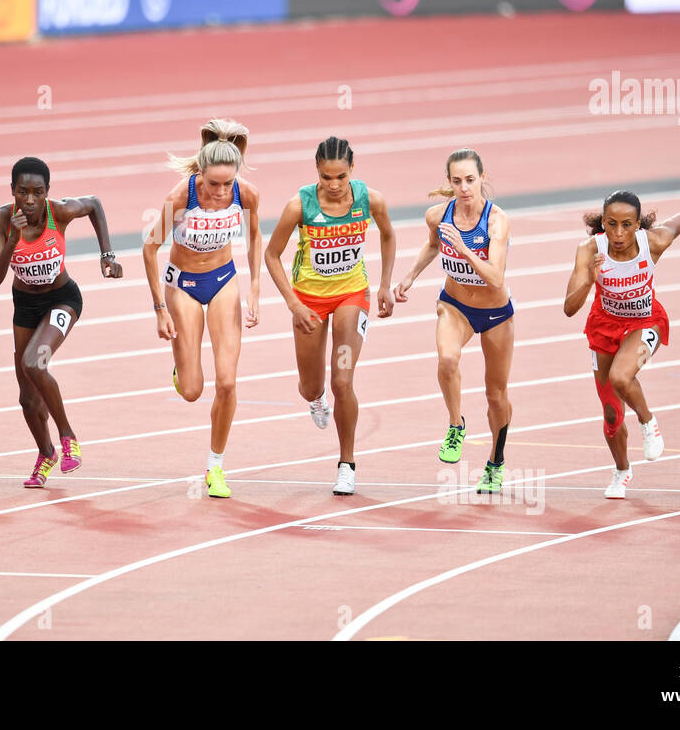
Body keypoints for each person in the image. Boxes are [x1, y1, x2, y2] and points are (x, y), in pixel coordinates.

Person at [264, 137, 396, 495]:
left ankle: (346, 464)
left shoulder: (371, 200)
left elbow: (387, 234)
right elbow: (271, 255)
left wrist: (384, 284)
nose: (334, 185)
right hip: (308, 301)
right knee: (312, 386)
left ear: (352, 170)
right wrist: (293, 304)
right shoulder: (300, 205)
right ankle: (315, 399)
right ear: (317, 173)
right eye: (326, 177)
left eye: (340, 177)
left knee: (342, 381)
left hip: (352, 295)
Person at [0, 157, 124, 488]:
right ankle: (46, 452)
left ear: (47, 192)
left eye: (37, 192)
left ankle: (68, 435)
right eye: (23, 192)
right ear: (12, 191)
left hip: (62, 299)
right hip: (26, 305)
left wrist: (107, 255)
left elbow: (94, 204)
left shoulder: (58, 212)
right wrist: (12, 242)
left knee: (34, 362)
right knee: (26, 398)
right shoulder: (1, 219)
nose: (30, 200)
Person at [142, 119, 262, 499]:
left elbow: (256, 236)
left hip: (224, 280)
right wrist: (160, 308)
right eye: (213, 184)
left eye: (227, 184)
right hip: (184, 286)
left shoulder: (246, 194)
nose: (220, 192)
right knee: (193, 390)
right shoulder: (182, 197)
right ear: (200, 174)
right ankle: (182, 366)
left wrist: (255, 288)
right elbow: (149, 248)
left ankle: (216, 466)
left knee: (227, 382)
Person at [564, 190, 680, 499]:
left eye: (627, 225)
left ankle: (649, 423)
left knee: (621, 376)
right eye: (611, 224)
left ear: (638, 225)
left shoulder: (652, 242)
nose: (618, 233)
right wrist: (590, 279)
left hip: (646, 322)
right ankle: (622, 470)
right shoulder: (590, 250)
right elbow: (568, 308)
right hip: (604, 329)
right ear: (603, 222)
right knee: (612, 416)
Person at [395, 149, 515, 494]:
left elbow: (495, 276)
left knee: (496, 395)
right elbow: (433, 246)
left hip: (495, 314)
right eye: (457, 181)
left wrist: (464, 249)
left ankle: (495, 462)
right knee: (447, 358)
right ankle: (455, 424)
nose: (464, 188)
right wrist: (410, 277)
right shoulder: (437, 215)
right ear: (449, 182)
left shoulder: (497, 221)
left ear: (482, 178)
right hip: (455, 305)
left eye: (470, 180)